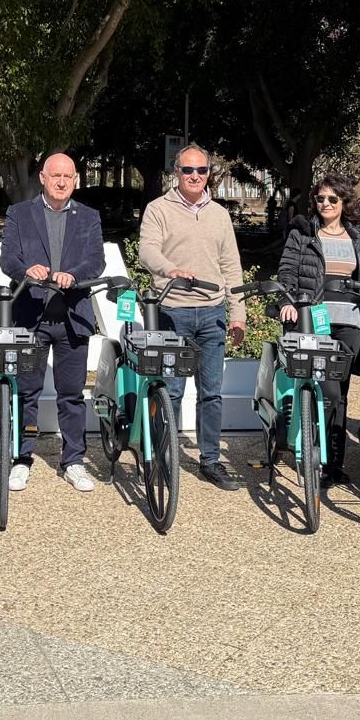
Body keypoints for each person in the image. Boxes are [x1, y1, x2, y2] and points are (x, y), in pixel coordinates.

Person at [138, 144, 246, 491]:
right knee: (170, 392)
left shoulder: (219, 215)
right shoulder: (158, 209)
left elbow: (231, 265)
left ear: (209, 173)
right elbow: (147, 250)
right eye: (188, 170)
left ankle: (210, 461)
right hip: (173, 312)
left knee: (211, 394)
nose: (195, 176)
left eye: (201, 170)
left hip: (212, 313)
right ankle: (162, 457)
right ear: (176, 173)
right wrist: (169, 269)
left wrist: (238, 313)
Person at [0, 152, 105, 493]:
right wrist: (25, 271)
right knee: (26, 393)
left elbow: (96, 261)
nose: (61, 182)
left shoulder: (88, 216)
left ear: (75, 180)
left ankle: (73, 460)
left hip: (73, 317)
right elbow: (8, 258)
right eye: (55, 175)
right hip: (31, 315)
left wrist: (74, 275)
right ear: (42, 178)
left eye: (67, 176)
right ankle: (21, 458)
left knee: (71, 395)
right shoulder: (19, 213)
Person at [277, 175, 360, 487]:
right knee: (327, 389)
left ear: (344, 202)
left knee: (340, 392)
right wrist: (287, 301)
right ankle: (314, 456)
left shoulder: (357, 236)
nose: (326, 204)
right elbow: (287, 270)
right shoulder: (303, 232)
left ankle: (334, 465)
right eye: (320, 198)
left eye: (333, 199)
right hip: (314, 318)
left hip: (350, 321)